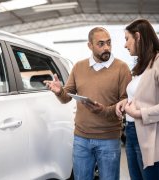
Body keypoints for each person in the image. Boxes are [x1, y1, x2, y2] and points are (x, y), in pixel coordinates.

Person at [44, 27, 131, 180]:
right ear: (90, 46)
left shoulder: (122, 68)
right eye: (101, 44)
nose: (107, 48)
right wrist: (59, 91)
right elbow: (66, 97)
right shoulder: (78, 67)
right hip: (81, 139)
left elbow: (126, 105)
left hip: (109, 139)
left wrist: (102, 110)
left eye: (109, 43)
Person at [115, 19, 159, 180]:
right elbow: (143, 95)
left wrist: (140, 113)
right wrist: (126, 102)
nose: (125, 45)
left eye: (127, 39)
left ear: (138, 36)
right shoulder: (143, 65)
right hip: (132, 134)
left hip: (157, 137)